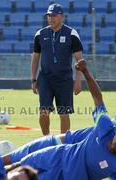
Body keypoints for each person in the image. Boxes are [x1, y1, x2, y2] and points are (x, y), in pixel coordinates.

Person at [11, 61, 116, 179]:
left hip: (61, 150)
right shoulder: (110, 127)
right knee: (19, 162)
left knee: (19, 163)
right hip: (61, 150)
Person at [31, 3, 84, 135]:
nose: (51, 18)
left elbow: (80, 61)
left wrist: (78, 81)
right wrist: (33, 79)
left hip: (64, 80)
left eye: (54, 15)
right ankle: (46, 139)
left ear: (62, 16)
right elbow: (35, 57)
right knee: (44, 112)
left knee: (64, 114)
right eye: (49, 15)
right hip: (45, 79)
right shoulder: (40, 34)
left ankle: (62, 144)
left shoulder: (71, 34)